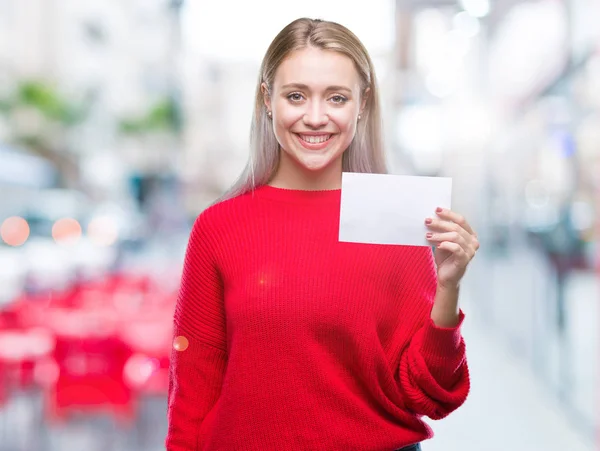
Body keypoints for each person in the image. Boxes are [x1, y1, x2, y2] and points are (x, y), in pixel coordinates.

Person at [166, 17, 479, 451]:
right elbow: (193, 388)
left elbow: (430, 393)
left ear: (362, 104)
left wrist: (449, 287)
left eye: (336, 97)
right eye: (296, 96)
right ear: (267, 99)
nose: (315, 118)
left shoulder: (395, 219)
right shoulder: (219, 227)